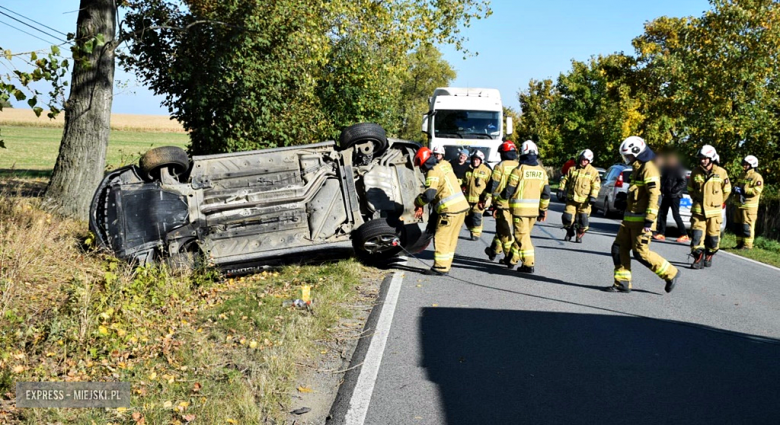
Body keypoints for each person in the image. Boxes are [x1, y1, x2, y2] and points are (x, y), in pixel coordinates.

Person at [607, 136, 680, 294]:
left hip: (642, 220)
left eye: (628, 155)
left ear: (636, 152)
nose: (626, 158)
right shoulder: (637, 167)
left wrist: (649, 220)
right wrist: (623, 202)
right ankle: (622, 283)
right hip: (629, 219)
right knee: (618, 248)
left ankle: (671, 273)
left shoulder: (649, 168)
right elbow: (637, 194)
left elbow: (655, 195)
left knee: (641, 253)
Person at [413, 147, 469, 276]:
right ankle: (446, 265)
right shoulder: (445, 165)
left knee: (442, 237)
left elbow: (429, 195)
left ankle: (440, 267)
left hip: (449, 210)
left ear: (423, 162)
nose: (422, 169)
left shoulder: (432, 172)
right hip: (461, 208)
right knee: (451, 238)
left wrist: (418, 202)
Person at [502, 141, 551, 273]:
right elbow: (546, 194)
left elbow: (508, 191)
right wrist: (543, 210)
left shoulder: (519, 170)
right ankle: (511, 259)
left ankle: (528, 264)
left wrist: (498, 203)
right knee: (523, 236)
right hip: (534, 211)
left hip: (520, 211)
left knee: (522, 237)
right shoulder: (542, 172)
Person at [688, 144, 731, 269]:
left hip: (714, 212)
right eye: (701, 158)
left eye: (705, 158)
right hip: (699, 211)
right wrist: (696, 199)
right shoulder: (695, 172)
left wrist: (718, 202)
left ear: (711, 158)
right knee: (696, 237)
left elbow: (727, 190)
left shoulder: (721, 173)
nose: (702, 160)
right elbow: (690, 188)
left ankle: (709, 254)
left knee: (713, 239)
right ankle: (698, 258)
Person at [482, 141, 519, 262]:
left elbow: (493, 184)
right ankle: (494, 249)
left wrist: (485, 196)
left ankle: (509, 256)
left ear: (503, 154)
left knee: (504, 231)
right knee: (504, 229)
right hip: (517, 203)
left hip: (502, 203)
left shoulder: (500, 166)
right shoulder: (519, 166)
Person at [559, 149, 600, 243]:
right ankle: (569, 232)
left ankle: (579, 235)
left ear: (590, 161)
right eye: (582, 159)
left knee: (583, 222)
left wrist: (593, 196)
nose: (583, 161)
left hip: (584, 202)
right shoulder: (572, 169)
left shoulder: (593, 172)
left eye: (586, 160)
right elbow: (564, 179)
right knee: (567, 218)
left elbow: (596, 185)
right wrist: (560, 189)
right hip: (571, 200)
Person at [654, 153, 689, 242]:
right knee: (662, 213)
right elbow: (663, 180)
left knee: (675, 214)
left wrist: (673, 190)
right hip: (666, 195)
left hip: (674, 196)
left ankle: (684, 234)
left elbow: (683, 182)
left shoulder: (678, 169)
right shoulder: (666, 169)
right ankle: (661, 233)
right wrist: (662, 189)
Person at [733, 155, 763, 250]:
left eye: (746, 164)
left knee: (747, 226)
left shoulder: (756, 177)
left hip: (749, 207)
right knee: (738, 226)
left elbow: (757, 190)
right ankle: (739, 243)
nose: (744, 166)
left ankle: (747, 245)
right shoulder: (742, 175)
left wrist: (744, 190)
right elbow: (736, 184)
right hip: (739, 205)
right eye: (744, 164)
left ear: (752, 165)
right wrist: (734, 188)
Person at [463, 150, 492, 240]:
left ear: (481, 160)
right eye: (474, 160)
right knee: (466, 217)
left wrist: (484, 199)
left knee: (476, 216)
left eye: (477, 160)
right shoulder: (468, 170)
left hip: (479, 200)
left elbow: (490, 186)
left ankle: (476, 234)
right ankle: (472, 230)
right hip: (467, 200)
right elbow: (464, 182)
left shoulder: (486, 171)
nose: (475, 161)